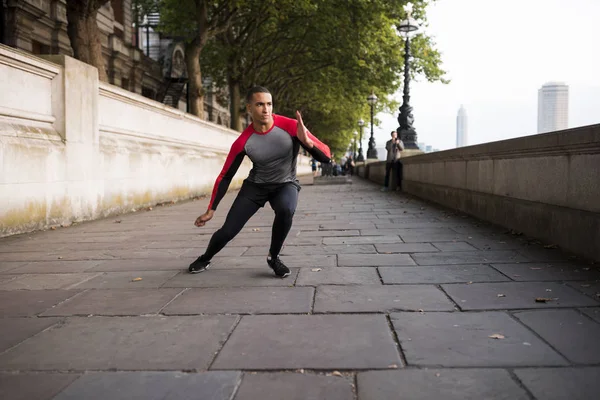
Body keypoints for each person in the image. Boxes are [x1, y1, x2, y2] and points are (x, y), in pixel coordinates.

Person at [188, 86, 331, 277]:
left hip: (285, 184)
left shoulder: (290, 126)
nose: (266, 109)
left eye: (269, 104)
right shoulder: (243, 141)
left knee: (286, 209)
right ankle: (205, 257)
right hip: (255, 188)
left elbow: (327, 157)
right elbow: (226, 175)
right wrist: (211, 209)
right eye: (260, 104)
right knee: (228, 231)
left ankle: (274, 257)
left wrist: (308, 143)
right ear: (249, 108)